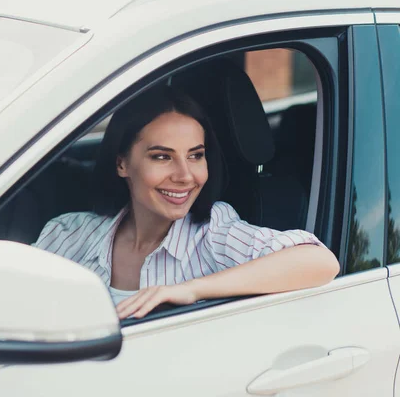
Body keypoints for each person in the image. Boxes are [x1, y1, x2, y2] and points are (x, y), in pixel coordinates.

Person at [33, 85, 339, 320]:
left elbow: (320, 262)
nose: (185, 175)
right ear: (122, 164)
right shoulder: (67, 233)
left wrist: (190, 290)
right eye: (162, 157)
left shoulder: (211, 232)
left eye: (195, 155)